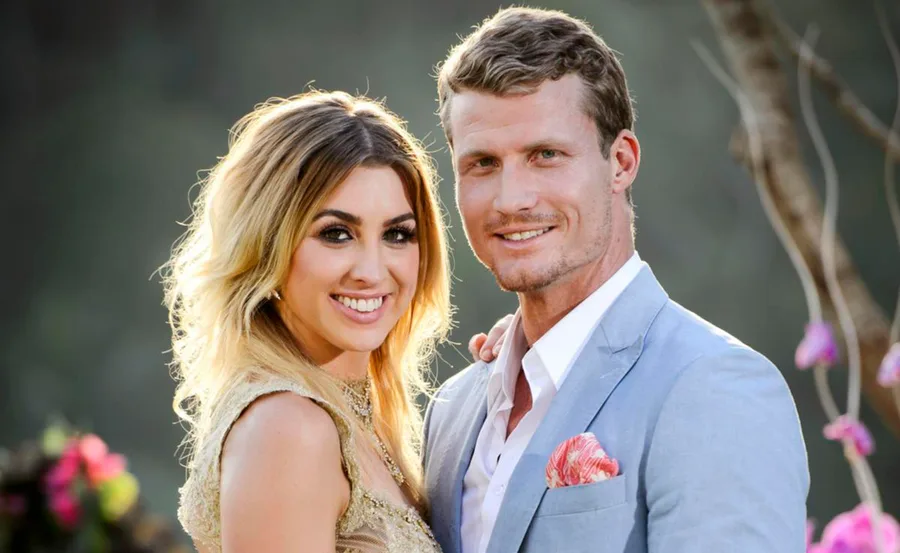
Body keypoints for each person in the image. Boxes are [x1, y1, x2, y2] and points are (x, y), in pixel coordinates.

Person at [423, 7, 810, 553]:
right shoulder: (452, 411)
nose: (512, 199)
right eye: (483, 164)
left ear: (621, 162)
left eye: (546, 155)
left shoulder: (714, 387)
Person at [165, 90, 504, 552]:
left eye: (397, 234)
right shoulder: (288, 428)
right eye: (336, 234)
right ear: (268, 246)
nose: (370, 270)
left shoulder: (358, 416)